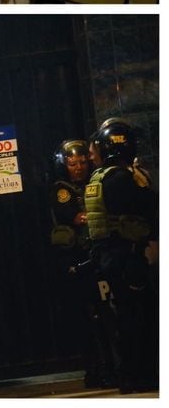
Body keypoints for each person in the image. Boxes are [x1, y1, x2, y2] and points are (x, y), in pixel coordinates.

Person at [84, 118, 157, 392]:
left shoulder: (99, 177)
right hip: (127, 255)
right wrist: (144, 183)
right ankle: (138, 375)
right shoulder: (121, 178)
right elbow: (148, 208)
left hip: (110, 256)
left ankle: (130, 374)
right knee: (138, 316)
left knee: (125, 316)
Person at [50, 139, 106, 386]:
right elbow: (75, 217)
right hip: (77, 257)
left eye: (82, 162)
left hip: (99, 254)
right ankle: (94, 368)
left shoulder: (96, 183)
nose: (79, 168)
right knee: (85, 315)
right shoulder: (62, 190)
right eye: (73, 164)